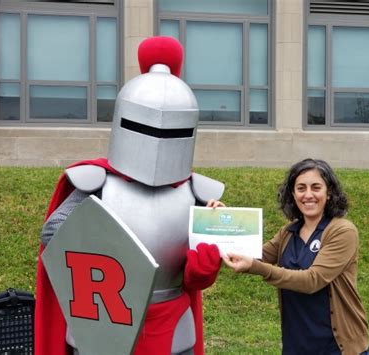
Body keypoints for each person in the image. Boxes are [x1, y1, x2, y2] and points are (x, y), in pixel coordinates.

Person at [34, 36, 224, 355]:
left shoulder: (198, 193)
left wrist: (204, 264)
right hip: (103, 322)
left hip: (171, 323)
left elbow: (191, 278)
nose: (158, 141)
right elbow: (55, 237)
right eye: (146, 127)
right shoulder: (95, 181)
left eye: (173, 131)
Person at [223, 158, 369, 355]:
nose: (308, 195)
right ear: (293, 194)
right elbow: (254, 255)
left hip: (337, 346)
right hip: (298, 342)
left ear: (329, 193)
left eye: (316, 187)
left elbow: (312, 280)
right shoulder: (288, 232)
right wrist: (221, 223)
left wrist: (257, 268)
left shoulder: (342, 231)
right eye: (301, 188)